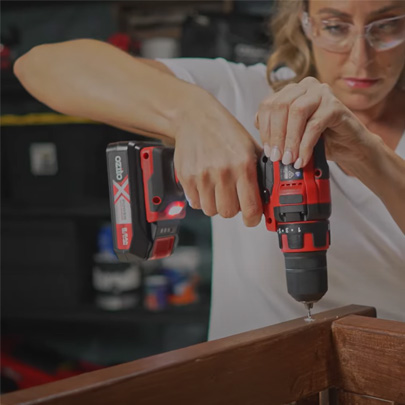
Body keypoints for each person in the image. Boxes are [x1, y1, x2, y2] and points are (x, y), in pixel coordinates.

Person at [14, 0, 405, 340]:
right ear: (305, 22)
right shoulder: (249, 93)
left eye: (387, 26)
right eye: (335, 27)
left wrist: (370, 156)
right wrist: (189, 113)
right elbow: (40, 66)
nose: (360, 58)